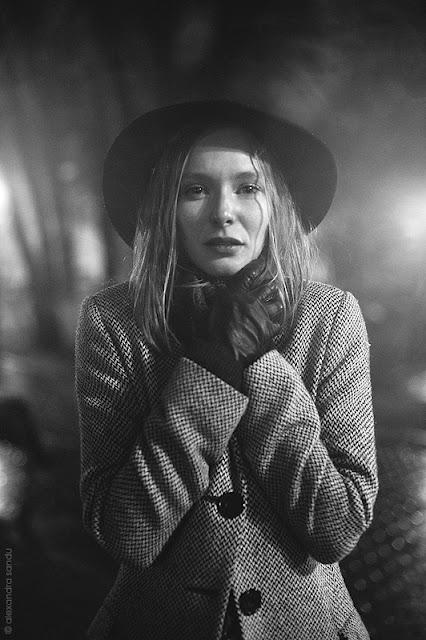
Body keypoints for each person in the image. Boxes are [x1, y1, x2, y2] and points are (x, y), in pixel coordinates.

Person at [75, 100, 378, 640]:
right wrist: (210, 369)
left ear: (276, 203)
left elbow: (339, 525)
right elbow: (127, 532)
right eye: (194, 189)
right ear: (165, 206)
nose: (223, 212)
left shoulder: (329, 317)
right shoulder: (113, 322)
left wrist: (258, 364)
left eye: (248, 187)